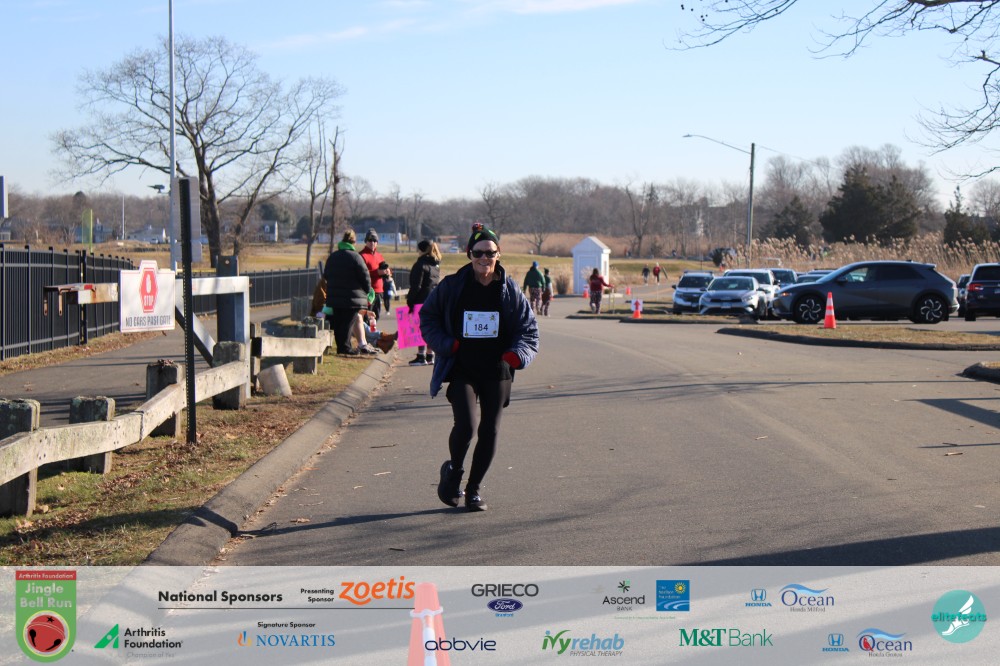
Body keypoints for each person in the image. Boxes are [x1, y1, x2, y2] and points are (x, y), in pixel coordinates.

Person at [419, 223, 539, 512]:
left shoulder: (510, 290)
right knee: (467, 426)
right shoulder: (452, 286)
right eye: (478, 253)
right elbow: (427, 318)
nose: (484, 258)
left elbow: (528, 331)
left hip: (498, 369)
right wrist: (447, 344)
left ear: (498, 254)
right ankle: (454, 471)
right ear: (469, 254)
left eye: (490, 253)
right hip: (462, 367)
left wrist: (517, 356)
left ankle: (473, 490)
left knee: (489, 430)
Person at [322, 229, 374, 355]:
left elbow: (326, 275)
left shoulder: (333, 257)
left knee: (339, 323)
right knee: (347, 323)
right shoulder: (356, 257)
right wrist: (367, 291)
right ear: (353, 243)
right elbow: (365, 277)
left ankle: (342, 347)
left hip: (335, 297)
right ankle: (345, 348)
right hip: (352, 298)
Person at [407, 240, 442, 366]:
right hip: (433, 300)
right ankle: (430, 355)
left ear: (421, 250)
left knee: (419, 329)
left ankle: (421, 356)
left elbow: (416, 286)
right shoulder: (435, 264)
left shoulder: (420, 264)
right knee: (430, 328)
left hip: (421, 300)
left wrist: (410, 301)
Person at [359, 229, 389, 320]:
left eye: (375, 240)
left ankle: (372, 330)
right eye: (370, 240)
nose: (372, 243)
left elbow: (384, 269)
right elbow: (361, 274)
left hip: (379, 292)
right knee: (366, 318)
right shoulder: (361, 255)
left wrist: (387, 272)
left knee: (376, 317)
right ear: (366, 241)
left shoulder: (379, 256)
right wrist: (377, 273)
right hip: (368, 292)